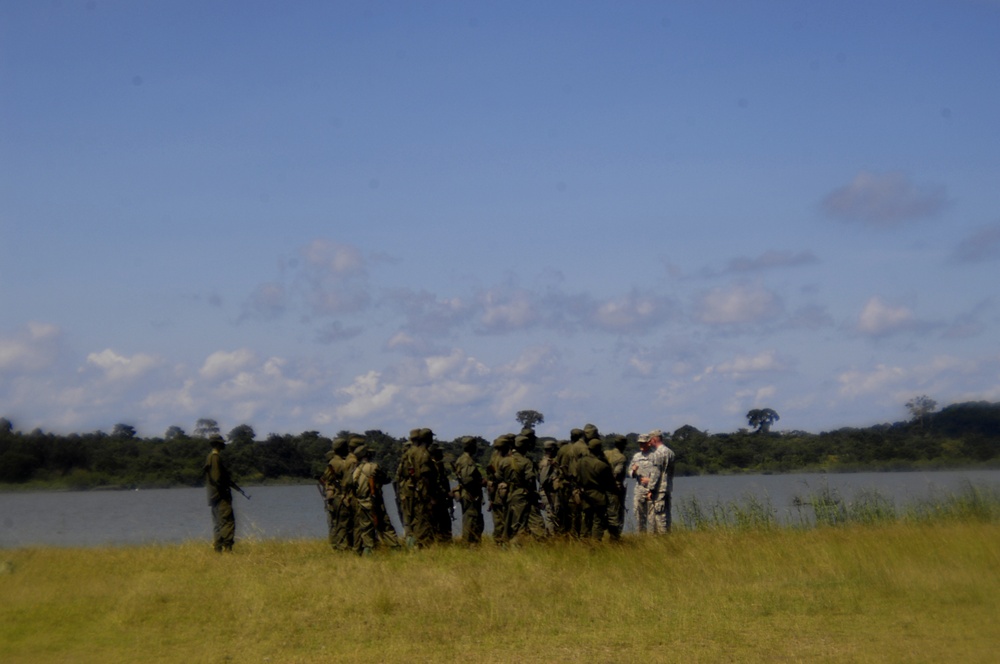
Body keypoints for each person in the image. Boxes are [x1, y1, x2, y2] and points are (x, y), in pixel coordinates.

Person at [350, 445, 401, 555]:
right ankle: (395, 549)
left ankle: (369, 551)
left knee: (366, 529)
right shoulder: (373, 467)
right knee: (385, 525)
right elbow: (385, 479)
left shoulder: (356, 471)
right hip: (374, 502)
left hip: (361, 503)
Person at [576, 437, 617, 540]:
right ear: (599, 449)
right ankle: (596, 543)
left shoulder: (580, 462)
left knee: (586, 519)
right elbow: (611, 484)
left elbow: (577, 478)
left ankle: (584, 540)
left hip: (584, 494)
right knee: (598, 520)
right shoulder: (601, 465)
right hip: (598, 495)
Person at [204, 434, 237, 552]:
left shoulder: (210, 457)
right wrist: (226, 487)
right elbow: (217, 478)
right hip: (220, 496)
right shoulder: (215, 457)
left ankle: (218, 548)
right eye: (222, 443)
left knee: (218, 522)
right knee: (227, 521)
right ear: (218, 444)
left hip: (214, 496)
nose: (224, 445)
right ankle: (227, 548)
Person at [320, 435, 354, 551]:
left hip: (333, 497)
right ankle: (343, 547)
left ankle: (337, 545)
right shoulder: (341, 463)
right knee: (343, 523)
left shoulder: (332, 462)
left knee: (336, 522)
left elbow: (326, 480)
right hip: (341, 496)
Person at [452, 436, 485, 545]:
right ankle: (468, 543)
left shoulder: (462, 459)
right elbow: (467, 480)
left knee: (471, 518)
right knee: (471, 519)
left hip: (468, 493)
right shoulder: (467, 461)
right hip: (470, 494)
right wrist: (480, 482)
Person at [647, 429, 676, 532]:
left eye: (650, 440)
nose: (649, 443)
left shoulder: (657, 454)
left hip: (659, 489)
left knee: (660, 516)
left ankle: (663, 539)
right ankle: (668, 534)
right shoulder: (670, 452)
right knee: (667, 514)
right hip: (668, 487)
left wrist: (650, 489)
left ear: (654, 439)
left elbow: (656, 473)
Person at [603, 434, 628, 539]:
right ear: (623, 445)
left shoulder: (605, 453)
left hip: (603, 488)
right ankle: (615, 537)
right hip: (615, 489)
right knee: (616, 514)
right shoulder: (621, 458)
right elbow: (617, 473)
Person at [537, 439, 563, 536]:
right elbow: (543, 480)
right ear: (552, 450)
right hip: (549, 493)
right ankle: (552, 536)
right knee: (551, 515)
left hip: (549, 492)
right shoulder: (547, 463)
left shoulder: (548, 462)